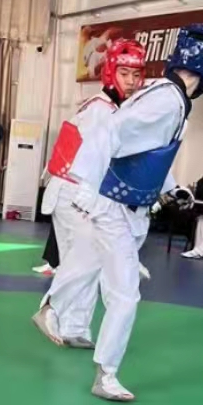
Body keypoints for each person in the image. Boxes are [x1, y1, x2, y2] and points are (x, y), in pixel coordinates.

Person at [37, 23, 203, 403]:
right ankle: (106, 374)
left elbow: (150, 154)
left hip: (121, 203)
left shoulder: (168, 98)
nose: (133, 80)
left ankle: (52, 307)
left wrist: (172, 188)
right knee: (124, 293)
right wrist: (87, 189)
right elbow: (107, 133)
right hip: (111, 203)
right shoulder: (165, 101)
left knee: (88, 258)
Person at [32, 40, 146, 279]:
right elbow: (97, 160)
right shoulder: (101, 110)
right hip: (74, 192)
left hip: (78, 192)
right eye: (124, 73)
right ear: (111, 72)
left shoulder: (109, 108)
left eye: (136, 75)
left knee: (79, 271)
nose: (131, 81)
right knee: (80, 271)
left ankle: (57, 301)